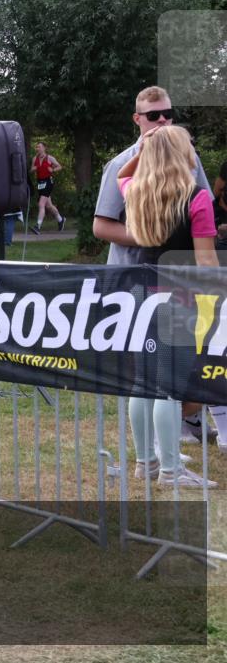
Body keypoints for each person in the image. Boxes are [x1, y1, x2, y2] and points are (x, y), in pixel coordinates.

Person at [93, 85, 224, 446]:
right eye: (154, 116)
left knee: (158, 378)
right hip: (149, 282)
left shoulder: (177, 169)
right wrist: (151, 236)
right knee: (165, 377)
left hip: (166, 283)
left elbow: (203, 214)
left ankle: (159, 450)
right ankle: (165, 461)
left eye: (168, 115)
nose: (163, 121)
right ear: (138, 119)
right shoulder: (121, 164)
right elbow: (101, 226)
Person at [118, 125, 219, 488]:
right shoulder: (197, 198)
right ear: (181, 153)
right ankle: (172, 471)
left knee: (143, 383)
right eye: (189, 144)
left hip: (139, 294)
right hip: (178, 296)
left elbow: (120, 176)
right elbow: (206, 261)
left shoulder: (137, 191)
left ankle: (145, 463)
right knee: (170, 387)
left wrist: (143, 152)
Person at [29, 142, 65, 234]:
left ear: (44, 148)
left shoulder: (49, 158)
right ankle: (61, 220)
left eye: (39, 147)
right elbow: (31, 170)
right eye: (37, 147)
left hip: (48, 182)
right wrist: (34, 169)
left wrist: (53, 170)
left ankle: (38, 226)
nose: (38, 148)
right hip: (40, 183)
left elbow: (59, 167)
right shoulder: (35, 158)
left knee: (41, 204)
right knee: (48, 205)